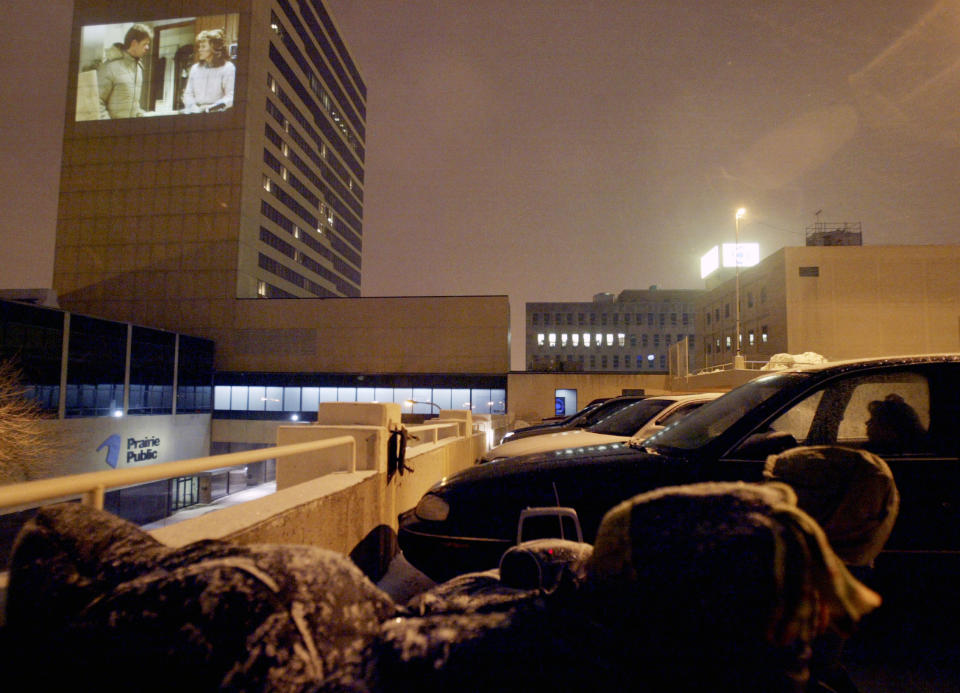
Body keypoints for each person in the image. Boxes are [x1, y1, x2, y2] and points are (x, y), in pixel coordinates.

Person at [97, 24, 152, 119]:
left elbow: (134, 103)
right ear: (134, 43)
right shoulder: (110, 67)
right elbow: (97, 102)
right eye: (145, 44)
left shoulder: (138, 68)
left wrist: (139, 114)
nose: (147, 48)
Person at [181, 29, 235, 113]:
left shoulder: (228, 68)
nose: (199, 50)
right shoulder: (195, 69)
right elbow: (188, 94)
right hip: (195, 112)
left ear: (214, 48)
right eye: (199, 46)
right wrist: (193, 107)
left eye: (203, 46)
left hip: (217, 113)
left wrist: (210, 109)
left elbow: (231, 96)